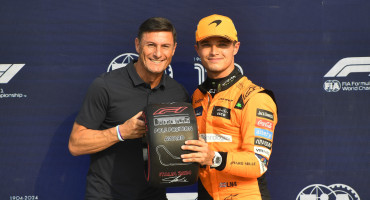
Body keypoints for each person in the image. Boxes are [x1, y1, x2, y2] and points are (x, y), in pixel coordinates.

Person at [68, 17, 189, 200]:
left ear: (174, 49)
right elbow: (75, 144)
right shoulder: (106, 85)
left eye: (165, 46)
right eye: (151, 45)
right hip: (106, 195)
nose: (158, 53)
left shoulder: (178, 93)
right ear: (137, 45)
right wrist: (121, 132)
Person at [181, 14, 278, 200]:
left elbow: (258, 163)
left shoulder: (255, 97)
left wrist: (214, 158)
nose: (214, 51)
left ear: (236, 48)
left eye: (222, 44)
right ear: (197, 49)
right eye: (206, 44)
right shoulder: (197, 96)